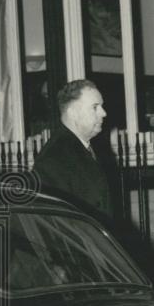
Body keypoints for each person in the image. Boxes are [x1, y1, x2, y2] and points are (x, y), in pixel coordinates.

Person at [33, 79, 112, 217]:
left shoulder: (85, 147)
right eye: (95, 107)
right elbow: (60, 221)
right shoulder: (54, 158)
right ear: (73, 113)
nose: (103, 113)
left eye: (102, 106)